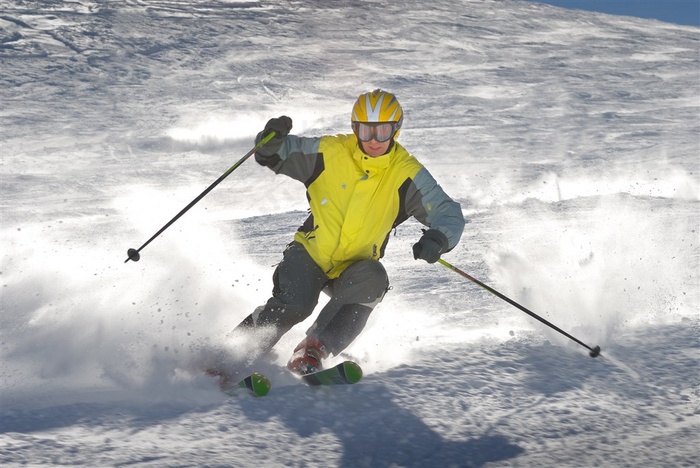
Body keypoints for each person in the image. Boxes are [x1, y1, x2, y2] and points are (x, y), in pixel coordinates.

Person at [226, 89, 465, 376]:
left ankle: (312, 350)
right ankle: (231, 355)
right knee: (296, 303)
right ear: (355, 129)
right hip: (311, 253)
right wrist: (269, 143)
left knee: (374, 280)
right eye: (366, 131)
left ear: (396, 130)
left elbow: (446, 211)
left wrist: (438, 238)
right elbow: (282, 152)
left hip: (354, 267)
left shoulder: (405, 172)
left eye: (383, 131)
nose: (374, 140)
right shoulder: (331, 152)